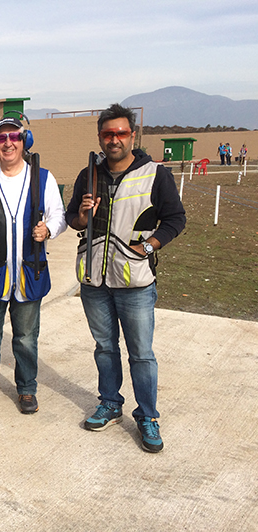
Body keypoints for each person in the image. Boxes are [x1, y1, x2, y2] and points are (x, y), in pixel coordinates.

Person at [66, 104, 186, 453]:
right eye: (108, 134)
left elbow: (175, 219)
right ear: (100, 138)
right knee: (105, 348)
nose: (114, 139)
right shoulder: (88, 174)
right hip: (94, 280)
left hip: (135, 281)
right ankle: (110, 403)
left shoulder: (155, 174)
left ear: (132, 135)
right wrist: (83, 216)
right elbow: (73, 220)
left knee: (141, 354)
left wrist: (148, 246)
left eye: (120, 133)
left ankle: (147, 416)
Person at [0, 114, 66, 414]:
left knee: (27, 340)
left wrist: (49, 230)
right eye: (1, 138)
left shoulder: (42, 178)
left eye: (14, 137)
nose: (8, 143)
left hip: (30, 272)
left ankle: (27, 389)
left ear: (24, 140)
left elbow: (59, 215)